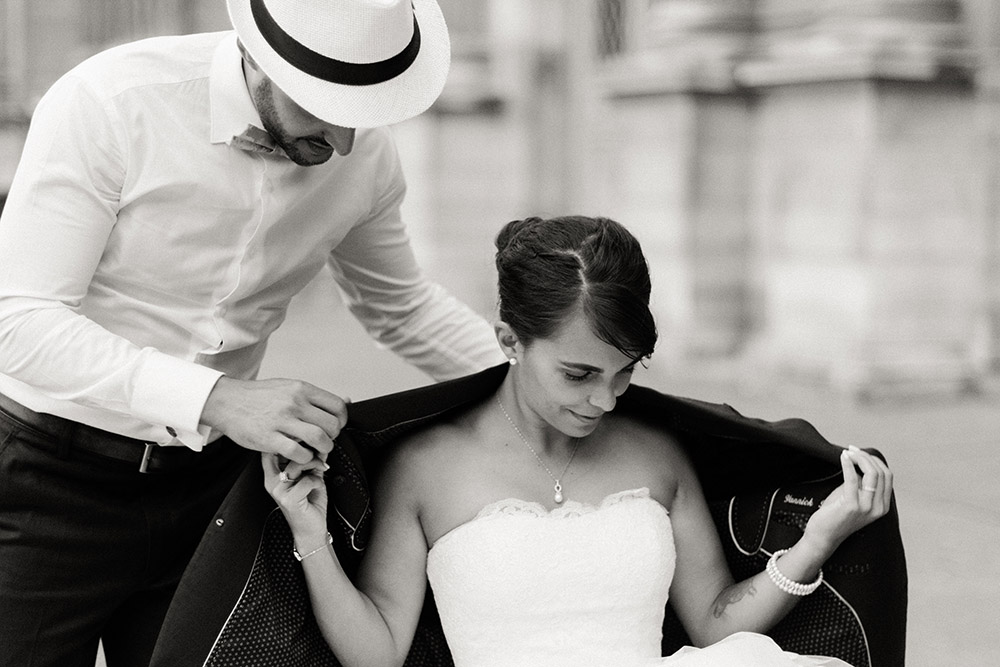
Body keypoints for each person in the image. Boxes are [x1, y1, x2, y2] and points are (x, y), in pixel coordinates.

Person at [0, 1, 504, 665]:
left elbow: (403, 307)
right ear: (260, 58)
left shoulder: (366, 160)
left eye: (365, 109)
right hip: (46, 482)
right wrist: (219, 397)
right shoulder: (110, 103)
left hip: (212, 501)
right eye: (326, 103)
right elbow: (19, 318)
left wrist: (528, 388)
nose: (345, 141)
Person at [264, 215, 894, 667]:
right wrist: (309, 533)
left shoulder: (656, 455)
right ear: (510, 342)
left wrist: (819, 538)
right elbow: (377, 654)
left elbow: (713, 627)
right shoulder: (426, 469)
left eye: (625, 373)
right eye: (579, 374)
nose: (606, 400)